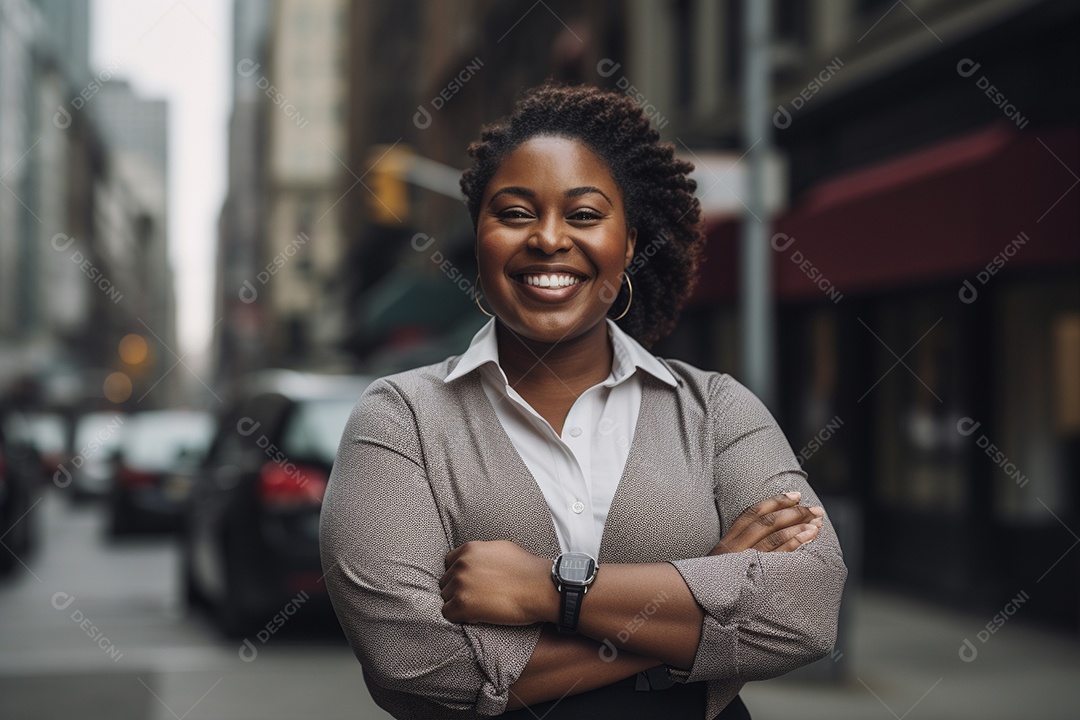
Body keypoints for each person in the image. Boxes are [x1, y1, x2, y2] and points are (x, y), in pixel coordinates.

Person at [320, 82, 847, 720]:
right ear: (480, 239)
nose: (548, 238)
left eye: (585, 215)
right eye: (515, 214)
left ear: (628, 244)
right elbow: (412, 662)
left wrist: (546, 590)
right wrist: (705, 589)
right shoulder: (400, 418)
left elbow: (805, 610)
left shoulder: (716, 412)